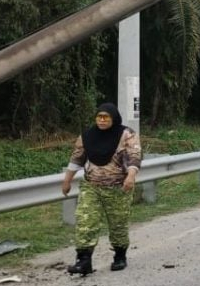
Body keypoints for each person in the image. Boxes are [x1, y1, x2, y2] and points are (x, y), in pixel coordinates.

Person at [60, 103, 142, 275]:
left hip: (118, 188)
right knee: (85, 221)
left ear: (114, 119)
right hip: (91, 187)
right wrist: (67, 181)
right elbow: (76, 159)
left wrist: (131, 176)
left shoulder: (126, 135)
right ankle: (83, 261)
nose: (102, 120)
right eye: (99, 117)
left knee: (118, 224)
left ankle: (120, 256)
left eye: (106, 117)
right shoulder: (87, 136)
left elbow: (134, 157)